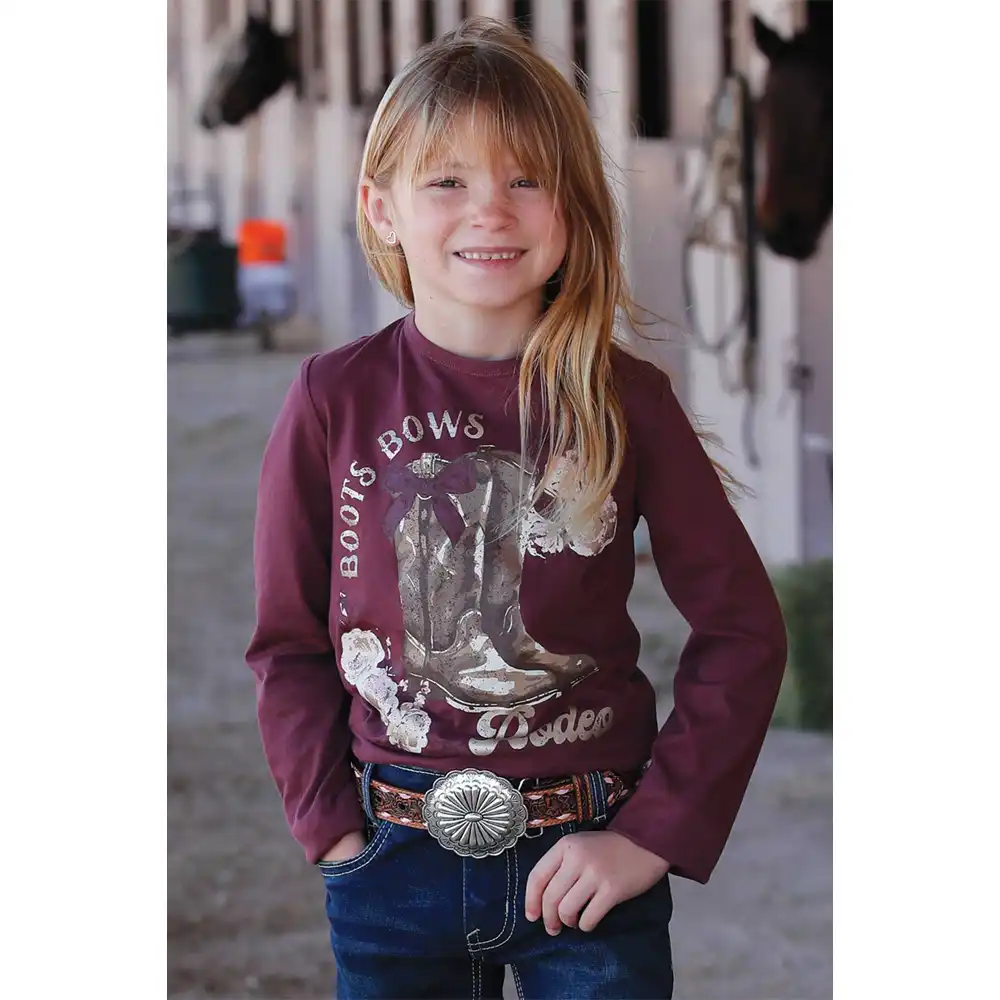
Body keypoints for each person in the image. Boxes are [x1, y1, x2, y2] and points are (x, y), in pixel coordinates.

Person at [246, 17, 787, 1000]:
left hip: (585, 859)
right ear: (381, 208)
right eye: (447, 181)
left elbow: (742, 629)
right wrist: (328, 825)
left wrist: (649, 834)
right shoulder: (335, 398)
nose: (489, 210)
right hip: (393, 855)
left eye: (526, 180)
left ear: (572, 208)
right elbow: (287, 638)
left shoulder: (625, 399)